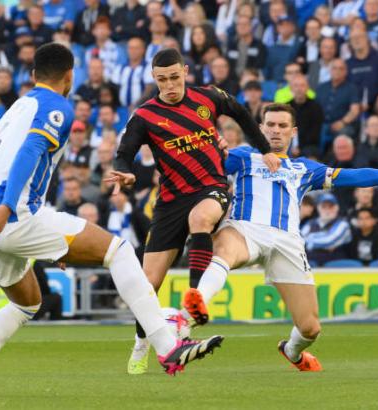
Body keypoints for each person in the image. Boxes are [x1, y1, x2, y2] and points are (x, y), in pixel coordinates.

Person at [0, 43, 224, 396]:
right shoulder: (57, 106)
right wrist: (10, 206)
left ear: (32, 76)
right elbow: (31, 149)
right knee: (119, 252)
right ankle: (168, 348)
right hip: (12, 215)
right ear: (70, 75)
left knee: (26, 303)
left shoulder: (16, 106)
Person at [182, 103, 378, 372]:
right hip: (245, 229)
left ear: (293, 131)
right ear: (260, 128)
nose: (275, 131)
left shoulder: (304, 168)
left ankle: (291, 351)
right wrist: (209, 146)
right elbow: (200, 163)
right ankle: (195, 304)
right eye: (270, 125)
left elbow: (355, 176)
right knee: (224, 250)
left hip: (287, 242)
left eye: (282, 126)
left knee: (310, 328)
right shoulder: (244, 156)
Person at [110, 48, 279, 375]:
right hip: (170, 200)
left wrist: (265, 149)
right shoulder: (145, 115)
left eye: (175, 77)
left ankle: (194, 300)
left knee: (200, 219)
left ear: (185, 71)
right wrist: (125, 172)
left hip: (210, 187)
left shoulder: (209, 97)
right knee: (148, 285)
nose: (170, 84)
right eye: (162, 79)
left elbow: (242, 114)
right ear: (153, 78)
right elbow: (124, 152)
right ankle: (141, 342)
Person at [301, 193, 352, 266]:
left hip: (336, 267)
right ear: (318, 208)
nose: (327, 210)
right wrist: (324, 236)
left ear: (337, 208)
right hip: (311, 264)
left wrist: (310, 239)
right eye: (324, 206)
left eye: (331, 206)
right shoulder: (310, 223)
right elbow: (300, 241)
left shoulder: (343, 224)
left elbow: (329, 241)